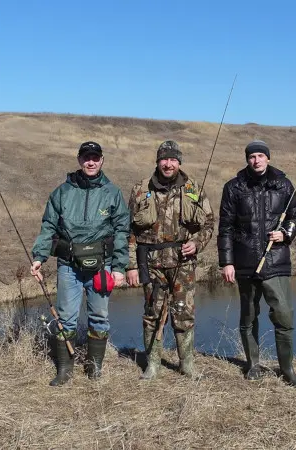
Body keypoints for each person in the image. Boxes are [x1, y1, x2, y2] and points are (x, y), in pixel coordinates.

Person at [30, 141, 130, 386]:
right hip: (68, 266)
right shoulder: (62, 192)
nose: (91, 162)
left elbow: (121, 232)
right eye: (87, 157)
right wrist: (39, 257)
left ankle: (94, 368)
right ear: (79, 160)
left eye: (95, 157)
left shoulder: (113, 193)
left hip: (102, 266)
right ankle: (64, 369)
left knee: (99, 317)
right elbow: (48, 227)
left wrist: (119, 267)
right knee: (65, 318)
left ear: (102, 160)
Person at [216, 140, 296, 387]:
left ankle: (287, 369)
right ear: (247, 159)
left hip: (277, 262)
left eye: (260, 156)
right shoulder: (233, 187)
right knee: (248, 316)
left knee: (284, 316)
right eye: (252, 156)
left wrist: (285, 233)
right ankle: (252, 365)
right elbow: (225, 228)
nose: (256, 160)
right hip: (244, 263)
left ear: (268, 158)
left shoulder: (283, 184)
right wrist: (227, 262)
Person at [126, 140, 214, 380]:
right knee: (152, 314)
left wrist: (196, 244)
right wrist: (132, 265)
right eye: (164, 159)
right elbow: (128, 231)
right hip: (151, 264)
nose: (168, 164)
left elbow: (208, 223)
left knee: (184, 313)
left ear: (179, 162)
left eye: (173, 159)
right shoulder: (140, 189)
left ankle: (187, 364)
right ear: (158, 161)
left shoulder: (193, 188)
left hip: (183, 264)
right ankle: (152, 364)